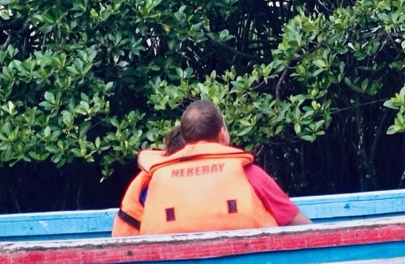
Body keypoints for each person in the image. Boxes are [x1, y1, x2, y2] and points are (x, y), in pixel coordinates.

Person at [112, 100, 309, 236]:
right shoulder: (249, 174)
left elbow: (123, 240)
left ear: (184, 138)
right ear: (222, 135)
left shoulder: (149, 182)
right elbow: (303, 229)